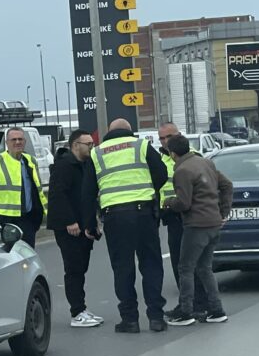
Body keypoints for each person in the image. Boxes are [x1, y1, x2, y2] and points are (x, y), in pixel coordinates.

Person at [82, 118, 169, 333]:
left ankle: (130, 319)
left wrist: (90, 224)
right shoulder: (141, 146)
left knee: (123, 267)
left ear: (109, 132)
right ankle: (156, 317)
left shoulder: (97, 153)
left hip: (115, 216)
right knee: (151, 264)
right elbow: (161, 173)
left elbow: (88, 192)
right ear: (129, 130)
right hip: (144, 212)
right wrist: (147, 189)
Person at [162, 134, 233, 325]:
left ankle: (185, 312)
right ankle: (216, 310)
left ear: (172, 153)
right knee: (204, 268)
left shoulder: (182, 170)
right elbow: (227, 185)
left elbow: (184, 203)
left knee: (185, 268)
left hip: (196, 225)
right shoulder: (205, 163)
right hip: (213, 223)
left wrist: (168, 202)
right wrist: (223, 212)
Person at [47, 130, 104, 328]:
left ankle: (82, 308)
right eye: (88, 144)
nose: (91, 147)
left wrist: (93, 221)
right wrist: (69, 221)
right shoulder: (64, 166)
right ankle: (77, 312)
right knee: (73, 268)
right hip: (69, 226)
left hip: (83, 224)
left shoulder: (87, 164)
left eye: (92, 144)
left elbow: (90, 196)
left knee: (81, 267)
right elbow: (57, 195)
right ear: (75, 145)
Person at [157, 122, 209, 319]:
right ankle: (187, 304)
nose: (165, 141)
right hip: (171, 216)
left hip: (190, 214)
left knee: (192, 263)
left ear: (179, 135)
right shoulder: (159, 158)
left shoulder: (193, 156)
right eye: (161, 138)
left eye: (169, 137)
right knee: (179, 263)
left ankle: (199, 305)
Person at [0, 127, 47, 248]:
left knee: (28, 256)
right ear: (7, 143)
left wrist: (37, 217)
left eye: (20, 139)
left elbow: (36, 190)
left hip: (27, 220)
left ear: (25, 141)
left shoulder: (31, 161)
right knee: (7, 256)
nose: (17, 142)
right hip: (4, 222)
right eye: (13, 139)